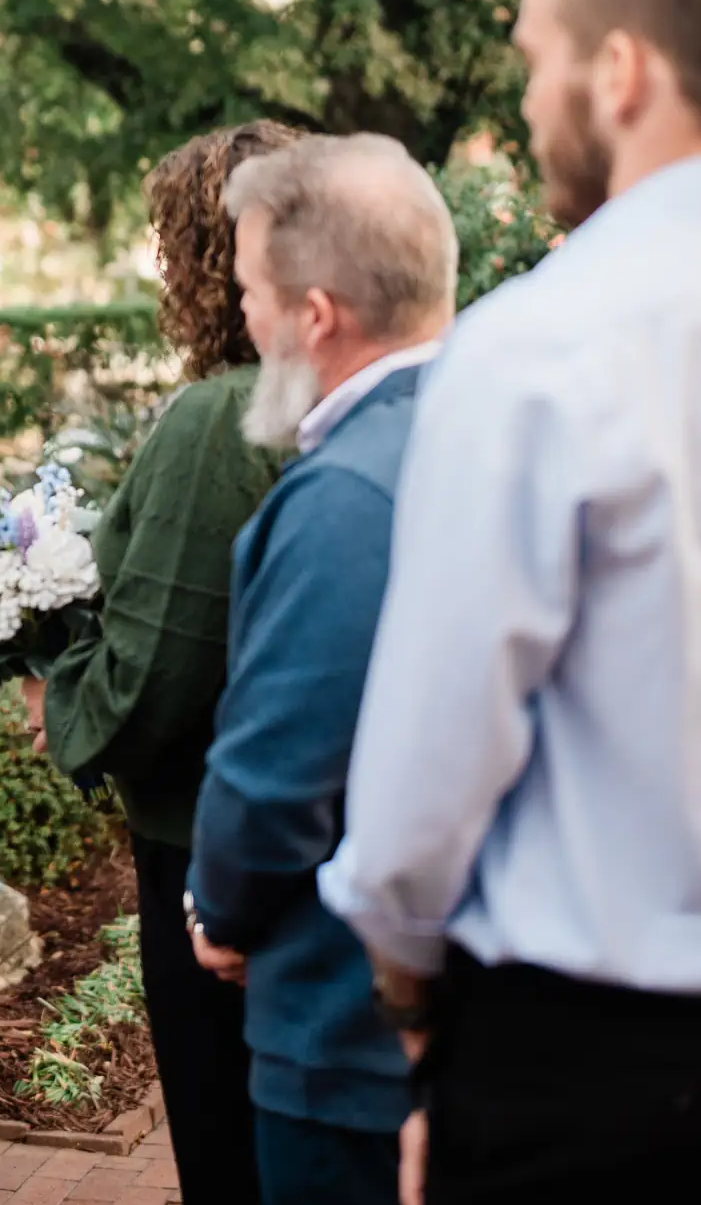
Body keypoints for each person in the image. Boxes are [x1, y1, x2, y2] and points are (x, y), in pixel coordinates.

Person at [320, 0, 701, 1205]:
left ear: (620, 72)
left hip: (569, 1049)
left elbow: (423, 775)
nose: (527, 95)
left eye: (536, 55)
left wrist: (408, 983)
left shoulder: (534, 349)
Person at [182, 136, 457, 1204]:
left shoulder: (345, 494)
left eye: (253, 291)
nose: (245, 319)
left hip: (343, 1030)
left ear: (315, 315)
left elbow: (278, 768)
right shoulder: (488, 430)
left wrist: (222, 908)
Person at [33, 119, 302, 1205]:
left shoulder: (215, 418)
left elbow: (161, 665)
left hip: (205, 841)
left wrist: (66, 687)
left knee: (226, 1137)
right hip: (315, 835)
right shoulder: (324, 399)